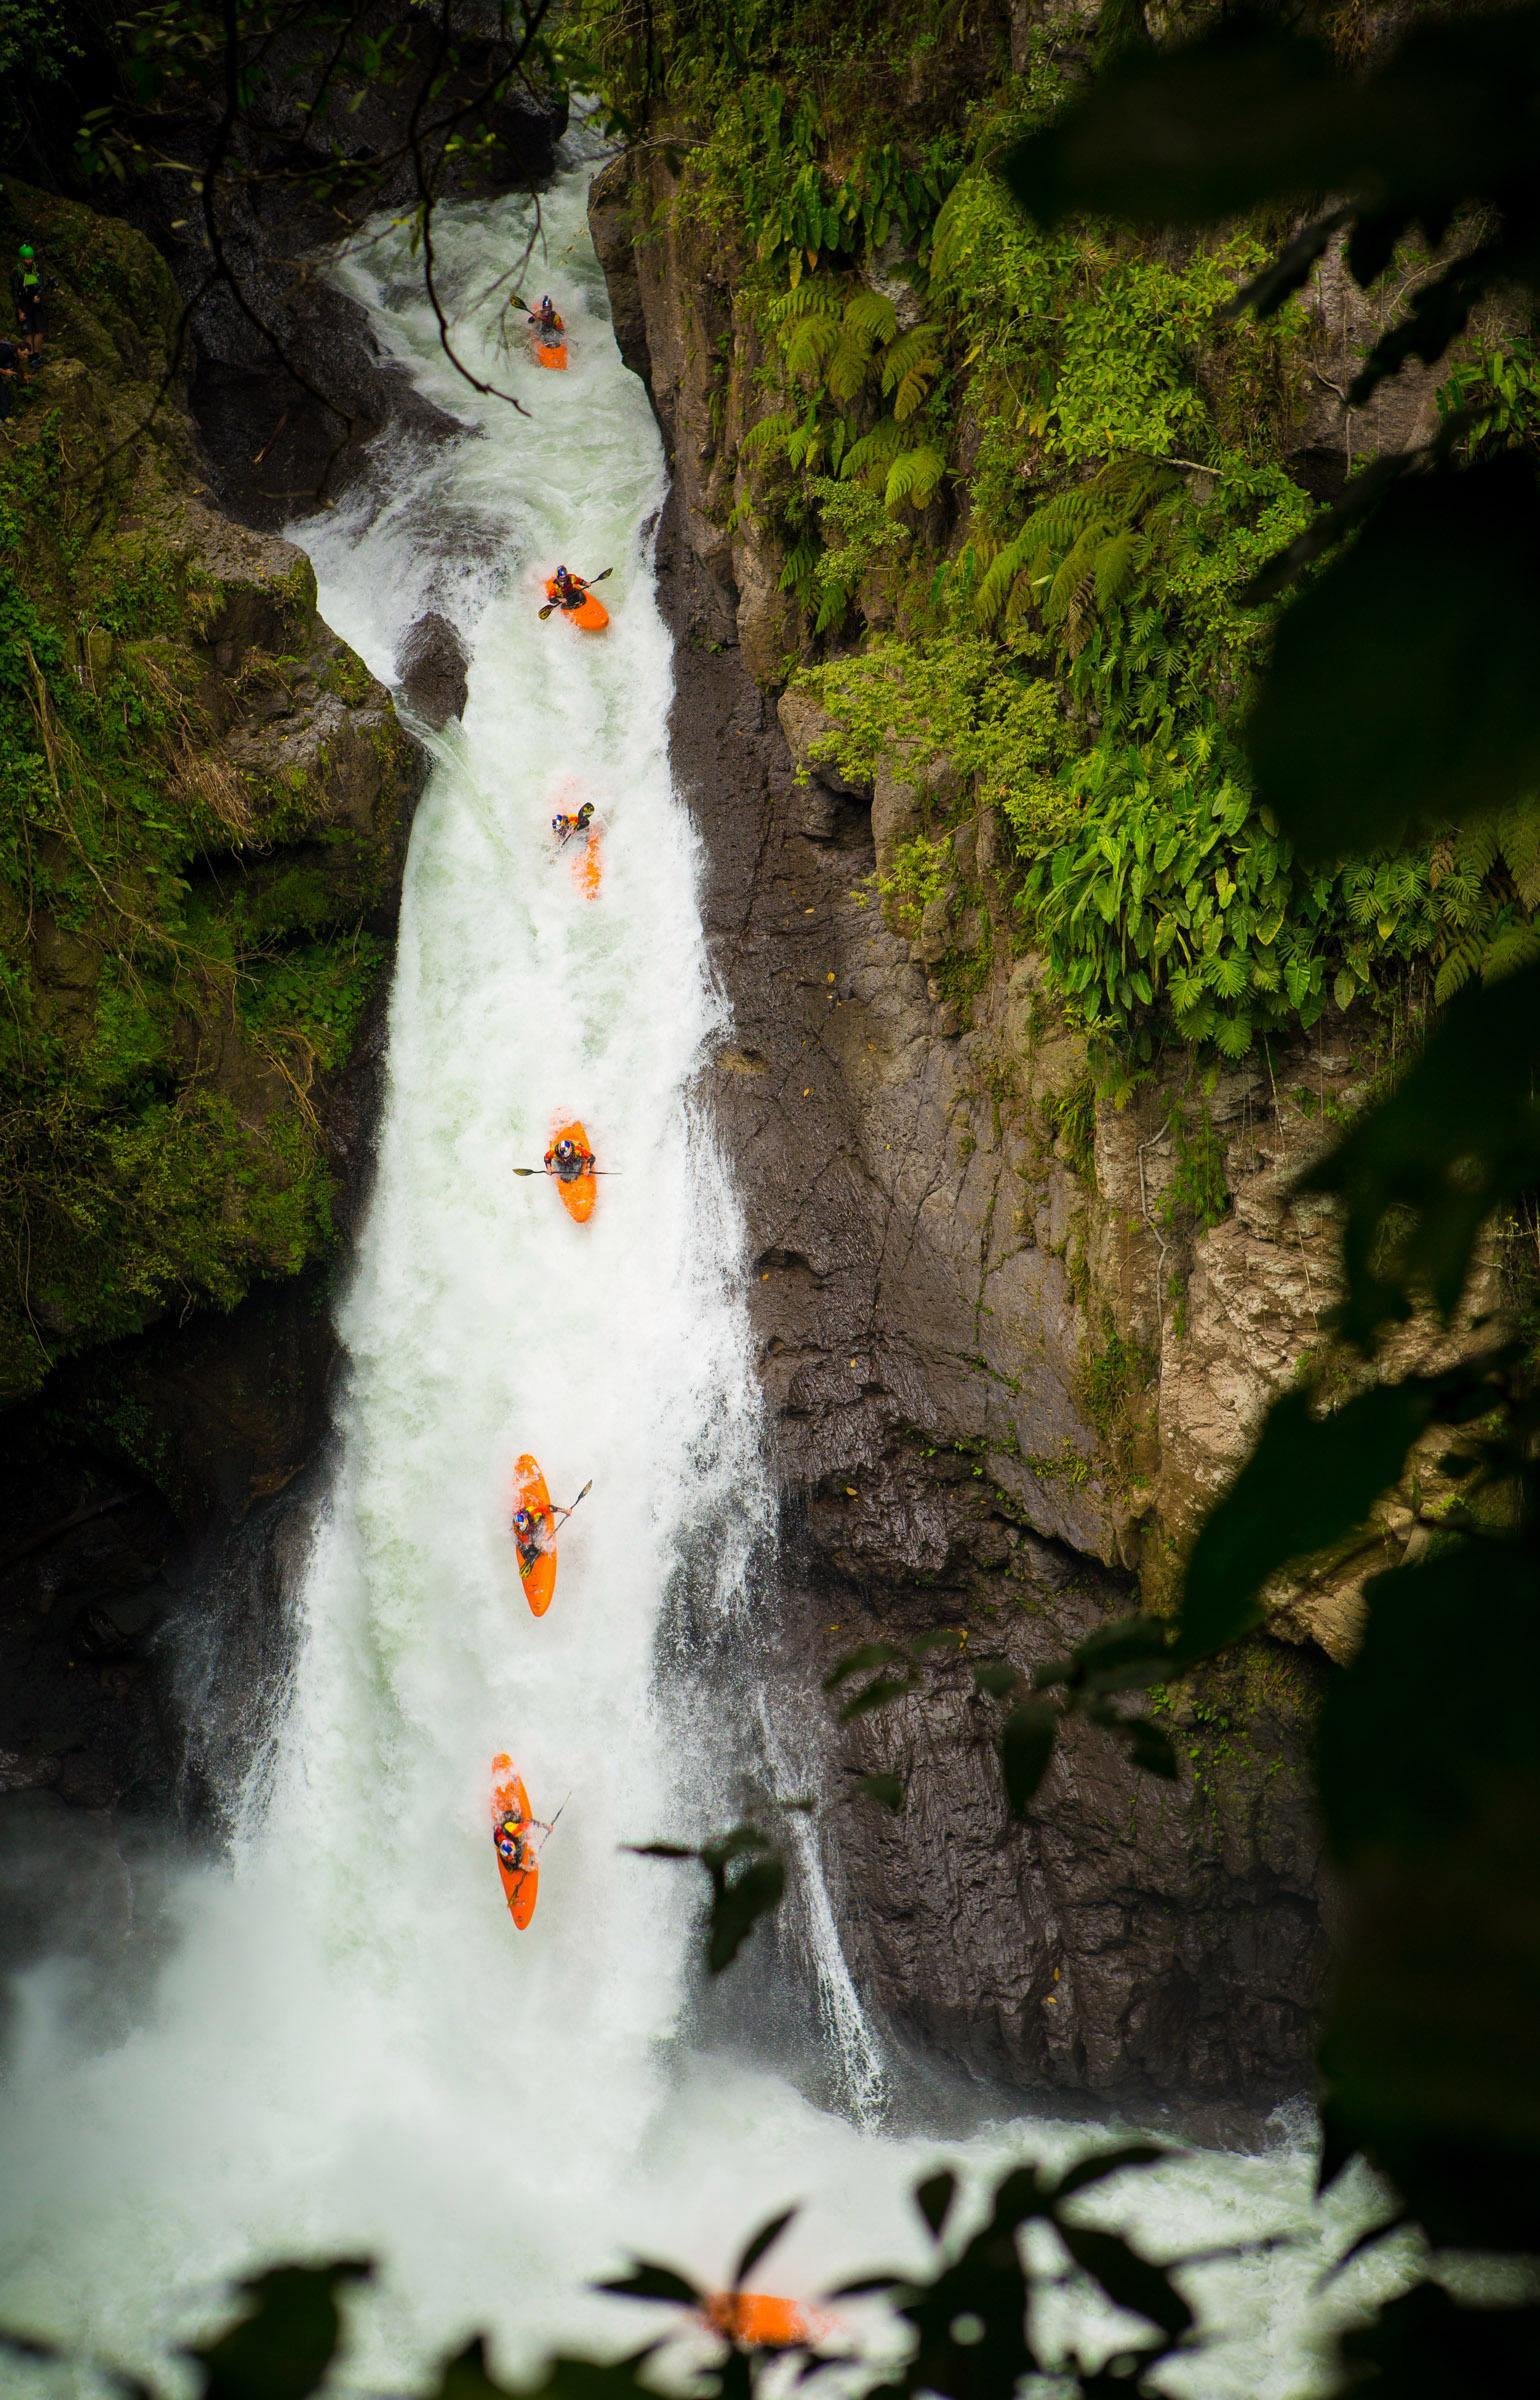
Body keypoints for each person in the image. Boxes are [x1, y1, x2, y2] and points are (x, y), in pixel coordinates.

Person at [11, 244, 43, 364]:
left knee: (40, 330)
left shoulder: (37, 268)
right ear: (22, 259)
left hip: (36, 303)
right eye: (26, 258)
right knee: (28, 331)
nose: (29, 261)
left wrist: (38, 295)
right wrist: (20, 311)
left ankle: (37, 355)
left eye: (30, 258)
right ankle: (29, 357)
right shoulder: (16, 272)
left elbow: (41, 284)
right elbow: (15, 292)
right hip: (24, 304)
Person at [512, 1503, 548, 1576]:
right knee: (528, 1550)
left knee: (536, 1543)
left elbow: (548, 1508)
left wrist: (565, 1511)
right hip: (526, 1535)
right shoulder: (519, 1532)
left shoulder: (531, 1513)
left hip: (534, 1524)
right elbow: (524, 1541)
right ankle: (531, 1559)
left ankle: (534, 1554)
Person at [0, 335, 19, 422]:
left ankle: (5, 416)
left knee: (3, 392)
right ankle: (5, 416)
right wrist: (4, 372)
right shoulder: (5, 350)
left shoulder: (8, 349)